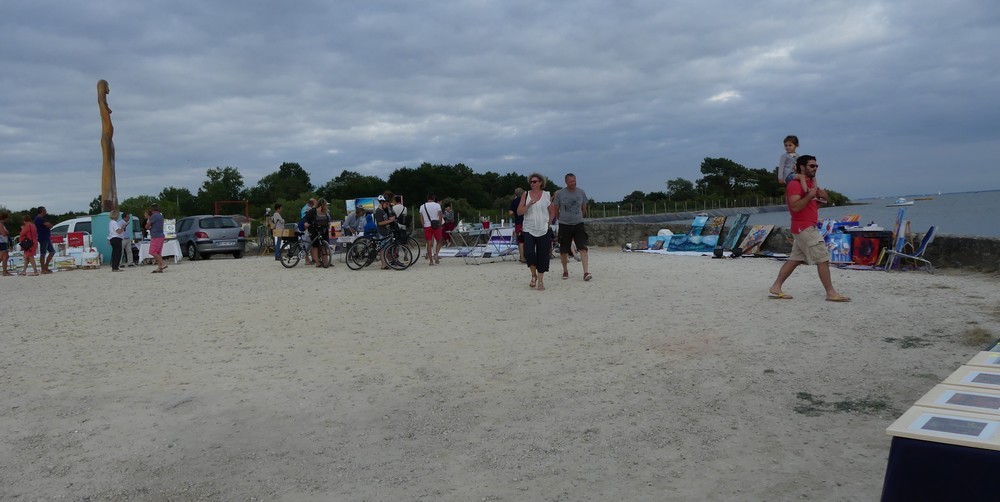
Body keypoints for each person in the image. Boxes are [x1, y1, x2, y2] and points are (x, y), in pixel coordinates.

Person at [768, 156, 850, 302]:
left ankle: (776, 286)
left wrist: (823, 199)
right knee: (823, 258)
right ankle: (830, 292)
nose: (815, 168)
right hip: (803, 227)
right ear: (801, 167)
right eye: (812, 166)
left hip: (805, 226)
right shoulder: (794, 184)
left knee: (795, 259)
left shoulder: (810, 183)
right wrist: (811, 195)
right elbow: (795, 207)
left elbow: (811, 205)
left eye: (816, 166)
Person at [517, 173, 555, 291]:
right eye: (531, 182)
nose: (532, 184)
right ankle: (533, 276)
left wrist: (548, 224)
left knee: (543, 255)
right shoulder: (526, 194)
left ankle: (541, 281)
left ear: (541, 183)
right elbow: (519, 212)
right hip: (529, 229)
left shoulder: (546, 195)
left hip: (543, 229)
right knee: (529, 253)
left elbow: (552, 212)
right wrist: (528, 204)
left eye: (535, 181)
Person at [552, 173, 592, 281]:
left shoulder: (581, 192)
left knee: (583, 248)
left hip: (578, 223)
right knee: (563, 250)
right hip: (565, 224)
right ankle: (565, 270)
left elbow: (584, 205)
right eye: (570, 181)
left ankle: (586, 272)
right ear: (566, 182)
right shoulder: (560, 193)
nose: (573, 183)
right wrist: (558, 217)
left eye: (574, 181)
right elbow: (556, 206)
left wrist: (583, 214)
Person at [98, 79, 117, 212]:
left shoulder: (103, 103)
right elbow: (100, 101)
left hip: (108, 139)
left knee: (109, 164)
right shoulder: (102, 102)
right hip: (107, 138)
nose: (109, 89)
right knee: (107, 164)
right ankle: (108, 202)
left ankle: (111, 200)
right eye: (108, 87)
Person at [304, 198, 332, 267]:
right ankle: (318, 262)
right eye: (325, 204)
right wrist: (306, 223)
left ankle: (324, 262)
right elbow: (306, 218)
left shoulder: (325, 211)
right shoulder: (313, 211)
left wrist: (328, 224)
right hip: (314, 229)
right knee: (316, 245)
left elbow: (328, 220)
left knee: (322, 245)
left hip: (322, 229)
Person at [373, 195, 398, 269]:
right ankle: (383, 264)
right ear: (382, 203)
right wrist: (390, 221)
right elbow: (380, 223)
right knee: (382, 249)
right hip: (381, 232)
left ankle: (385, 263)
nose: (387, 205)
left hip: (386, 231)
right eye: (386, 204)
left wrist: (392, 219)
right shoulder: (378, 211)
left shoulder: (383, 210)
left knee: (385, 248)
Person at [419, 193, 444, 265]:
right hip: (436, 225)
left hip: (427, 226)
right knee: (439, 241)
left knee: (429, 243)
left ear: (427, 198)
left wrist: (423, 225)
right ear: (434, 198)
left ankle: (430, 261)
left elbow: (421, 217)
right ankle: (436, 255)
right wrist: (439, 224)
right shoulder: (437, 205)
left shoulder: (422, 206)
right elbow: (440, 216)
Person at [146, 203, 167, 273]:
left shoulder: (154, 216)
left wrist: (149, 220)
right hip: (161, 235)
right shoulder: (160, 216)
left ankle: (163, 263)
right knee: (158, 252)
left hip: (156, 236)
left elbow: (147, 226)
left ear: (152, 209)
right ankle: (159, 267)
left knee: (152, 251)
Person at [34, 206, 55, 274]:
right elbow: (49, 225)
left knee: (52, 252)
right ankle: (43, 269)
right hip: (43, 237)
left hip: (46, 237)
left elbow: (49, 225)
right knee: (43, 253)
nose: (46, 212)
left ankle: (45, 267)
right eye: (45, 210)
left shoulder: (41, 218)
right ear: (42, 211)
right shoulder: (39, 218)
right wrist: (48, 225)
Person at [508, 188, 526, 262]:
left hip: (518, 222)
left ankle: (522, 257)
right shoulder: (525, 201)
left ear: (515, 194)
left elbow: (510, 213)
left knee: (520, 241)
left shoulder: (514, 201)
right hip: (526, 222)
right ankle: (525, 256)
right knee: (527, 240)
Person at [0, 212, 11, 276]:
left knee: (3, 257)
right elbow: (3, 233)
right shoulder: (0, 224)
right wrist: (7, 232)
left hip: (3, 241)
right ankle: (4, 271)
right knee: (5, 257)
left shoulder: (2, 224)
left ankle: (5, 271)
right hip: (2, 242)